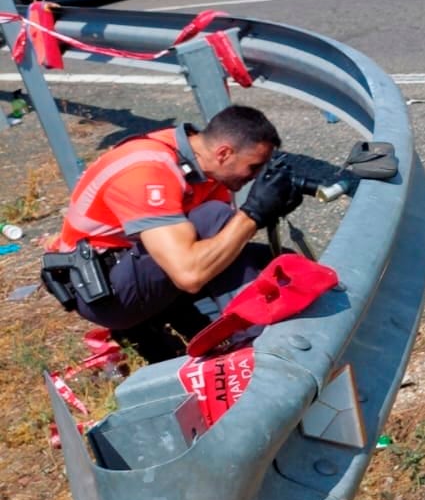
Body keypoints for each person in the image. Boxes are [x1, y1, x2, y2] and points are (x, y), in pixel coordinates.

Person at [41, 105, 304, 360]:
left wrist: (269, 212)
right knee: (214, 216)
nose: (254, 177)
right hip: (103, 292)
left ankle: (260, 334)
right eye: (253, 167)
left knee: (270, 259)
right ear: (224, 153)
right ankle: (259, 347)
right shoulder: (148, 170)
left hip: (137, 269)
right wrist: (253, 214)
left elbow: (220, 250)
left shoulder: (201, 164)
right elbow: (189, 274)